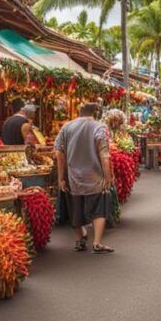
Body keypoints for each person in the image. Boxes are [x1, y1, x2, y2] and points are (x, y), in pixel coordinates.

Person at [55, 103, 115, 254]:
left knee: (74, 209)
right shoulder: (99, 127)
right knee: (99, 209)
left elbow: (59, 154)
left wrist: (60, 177)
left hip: (73, 177)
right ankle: (97, 242)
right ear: (95, 113)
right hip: (94, 176)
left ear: (79, 112)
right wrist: (108, 176)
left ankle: (80, 238)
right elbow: (105, 155)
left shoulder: (66, 128)